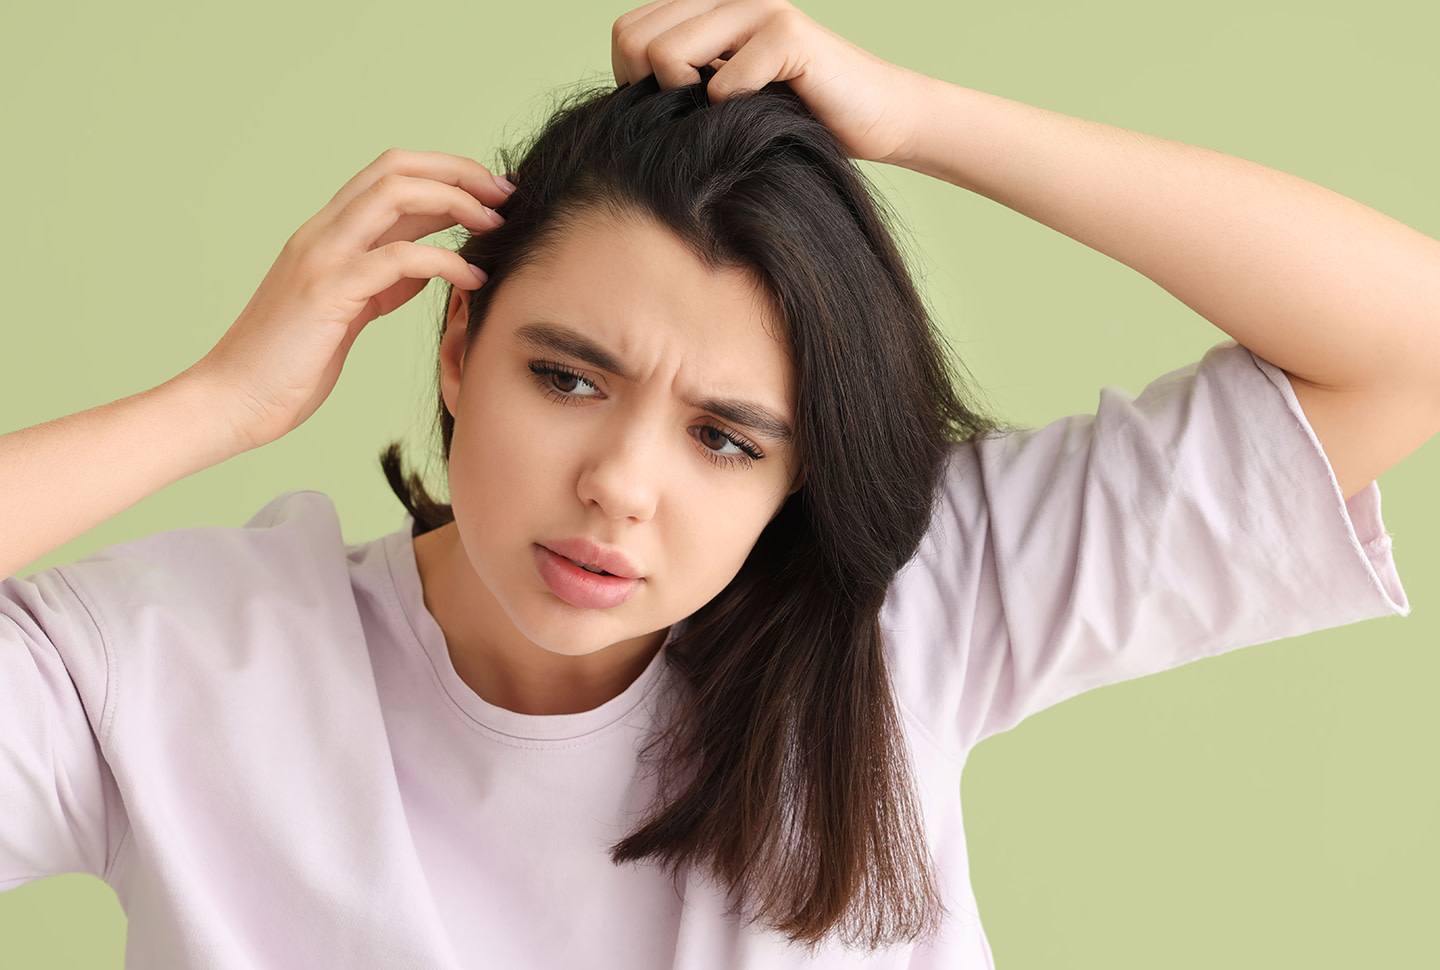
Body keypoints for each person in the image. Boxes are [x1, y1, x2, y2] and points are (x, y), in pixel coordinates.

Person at [0, 0, 1431, 966]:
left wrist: (921, 118)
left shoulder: (909, 609)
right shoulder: (182, 665)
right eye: (568, 378)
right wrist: (214, 404)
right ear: (457, 346)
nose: (621, 485)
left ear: (799, 471)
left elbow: (1406, 344)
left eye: (727, 440)